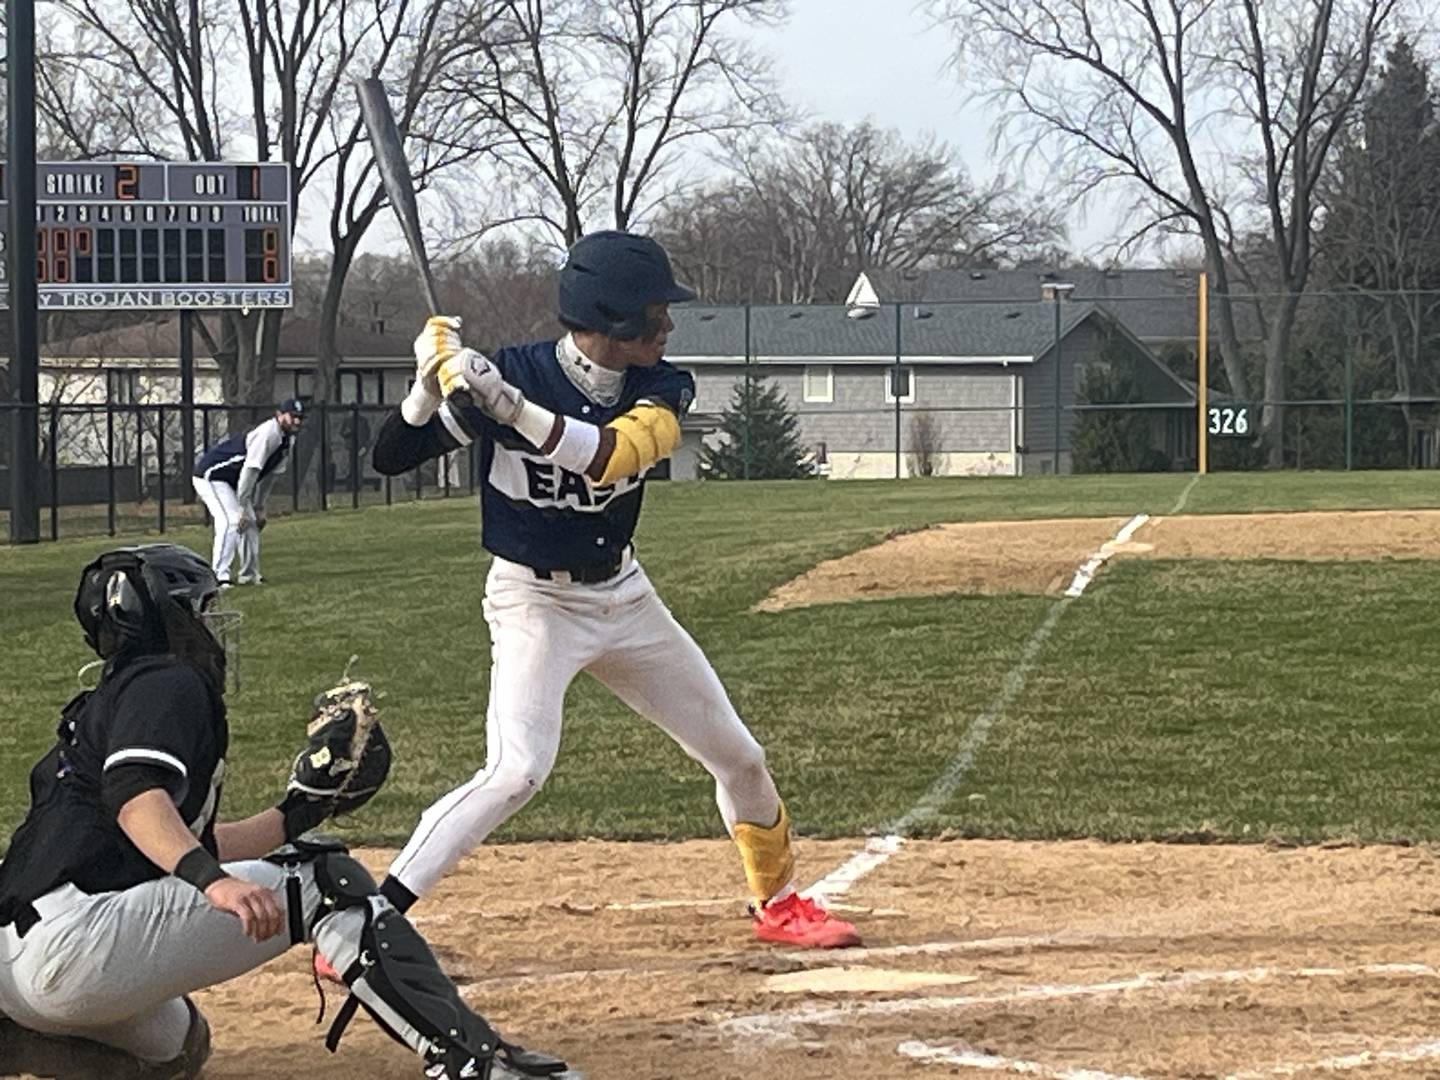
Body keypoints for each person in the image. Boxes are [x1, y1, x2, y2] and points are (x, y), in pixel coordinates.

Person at [367, 230, 861, 950]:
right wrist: (423, 388)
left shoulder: (659, 386)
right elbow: (390, 457)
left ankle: (779, 903)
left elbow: (611, 458)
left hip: (625, 598)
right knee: (515, 772)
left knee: (740, 756)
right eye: (653, 315)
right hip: (533, 601)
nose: (667, 327)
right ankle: (371, 919)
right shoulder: (517, 374)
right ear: (609, 319)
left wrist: (510, 410)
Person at [0, 543, 569, 1080]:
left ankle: (21, 1040)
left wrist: (297, 813)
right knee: (326, 881)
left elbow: (180, 839)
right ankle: (473, 1061)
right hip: (74, 945)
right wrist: (213, 884)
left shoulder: (115, 697)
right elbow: (136, 799)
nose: (212, 621)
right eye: (201, 608)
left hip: (22, 967)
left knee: (181, 1045)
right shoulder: (167, 681)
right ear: (163, 619)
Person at [192, 398, 306, 585]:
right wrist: (243, 507)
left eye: (300, 417)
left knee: (251, 524)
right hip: (211, 476)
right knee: (231, 521)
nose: (297, 421)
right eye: (293, 416)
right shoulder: (268, 434)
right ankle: (219, 577)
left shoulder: (288, 440)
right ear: (279, 415)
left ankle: (249, 576)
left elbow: (269, 477)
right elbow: (250, 471)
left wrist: (259, 506)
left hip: (232, 481)